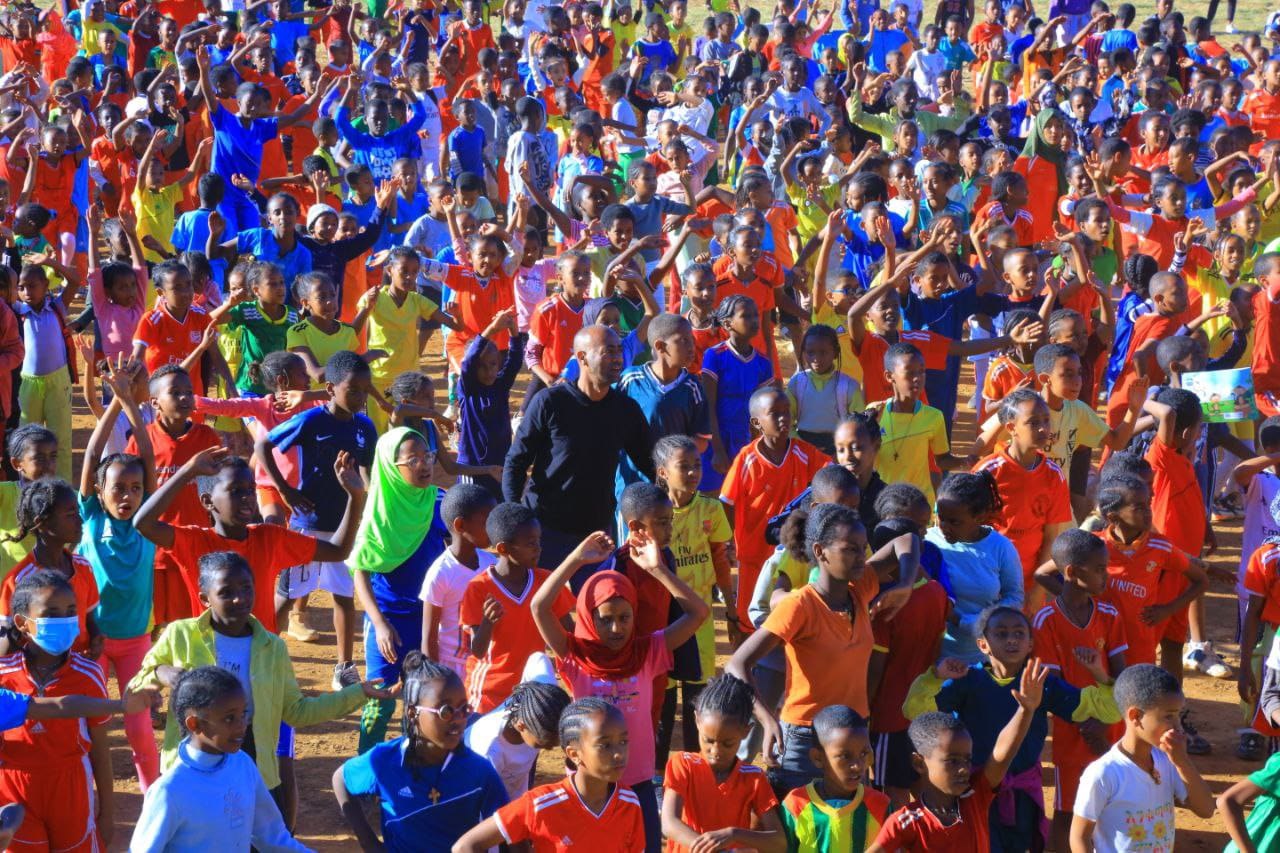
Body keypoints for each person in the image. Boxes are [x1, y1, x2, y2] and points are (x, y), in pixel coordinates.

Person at [531, 531, 708, 851]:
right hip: (587, 786)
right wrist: (576, 560)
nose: (617, 628)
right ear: (589, 617)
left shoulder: (648, 651)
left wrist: (658, 569)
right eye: (605, 619)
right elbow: (539, 607)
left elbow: (699, 613)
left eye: (625, 617)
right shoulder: (575, 656)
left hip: (638, 782)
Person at [727, 503, 920, 792]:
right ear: (820, 552)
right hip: (806, 741)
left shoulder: (860, 589)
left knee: (849, 819)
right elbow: (737, 663)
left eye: (863, 548)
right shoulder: (799, 605)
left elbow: (907, 540)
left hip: (853, 737)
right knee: (799, 821)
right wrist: (766, 719)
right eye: (850, 549)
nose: (862, 557)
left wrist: (905, 584)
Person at [503, 324, 655, 571]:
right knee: (545, 596)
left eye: (619, 351)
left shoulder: (625, 409)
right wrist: (512, 515)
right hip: (546, 533)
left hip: (597, 534)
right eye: (609, 352)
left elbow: (649, 461)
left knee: (599, 596)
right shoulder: (550, 402)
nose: (618, 358)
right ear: (582, 357)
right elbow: (517, 461)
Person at [335, 654, 508, 853]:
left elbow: (506, 829)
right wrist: (370, 845)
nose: (459, 719)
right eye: (446, 711)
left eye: (464, 709)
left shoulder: (479, 771)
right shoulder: (384, 760)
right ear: (412, 713)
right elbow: (340, 779)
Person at [129, 666, 308, 852]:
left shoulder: (242, 764)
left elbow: (273, 837)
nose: (241, 725)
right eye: (229, 718)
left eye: (243, 714)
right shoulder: (169, 791)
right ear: (195, 724)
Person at [347, 427, 448, 751]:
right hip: (388, 619)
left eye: (427, 456)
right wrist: (379, 624)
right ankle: (367, 768)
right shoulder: (379, 513)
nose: (424, 464)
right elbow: (360, 571)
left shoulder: (440, 501)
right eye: (413, 460)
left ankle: (412, 763)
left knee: (421, 701)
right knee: (380, 702)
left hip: (427, 619)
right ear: (392, 467)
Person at [1034, 529, 1129, 853]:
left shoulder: (1109, 615)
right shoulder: (1045, 621)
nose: (1107, 575)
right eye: (1100, 568)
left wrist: (1104, 723)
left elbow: (1122, 676)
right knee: (1067, 812)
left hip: (1111, 726)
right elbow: (1053, 687)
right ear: (1073, 572)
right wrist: (1087, 725)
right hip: (1071, 732)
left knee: (1111, 807)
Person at [452, 698, 646, 852]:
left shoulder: (629, 803)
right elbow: (465, 846)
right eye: (605, 745)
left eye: (623, 741)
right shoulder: (539, 804)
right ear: (574, 754)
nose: (619, 754)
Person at [1071, 664, 1216, 851]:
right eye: (1168, 717)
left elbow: (1206, 809)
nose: (1178, 726)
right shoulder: (1104, 773)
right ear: (1136, 716)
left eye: (1178, 716)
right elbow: (1079, 837)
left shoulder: (1168, 760)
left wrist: (1183, 762)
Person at [660, 673, 785, 853]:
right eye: (708, 740)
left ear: (746, 731)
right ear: (697, 720)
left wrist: (734, 834)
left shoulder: (754, 778)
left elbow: (779, 842)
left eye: (728, 743)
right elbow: (669, 823)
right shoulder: (682, 765)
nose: (716, 752)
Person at [927, 471, 1023, 662]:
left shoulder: (1001, 548)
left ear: (980, 517)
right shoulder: (927, 541)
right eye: (940, 517)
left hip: (983, 659)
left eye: (954, 521)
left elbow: (1015, 598)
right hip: (930, 658)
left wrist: (967, 622)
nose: (944, 526)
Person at [781, 703, 892, 852]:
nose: (858, 766)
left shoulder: (881, 805)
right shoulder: (796, 805)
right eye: (845, 756)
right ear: (818, 758)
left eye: (864, 753)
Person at [463, 658, 570, 800]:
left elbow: (538, 659)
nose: (551, 748)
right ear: (521, 726)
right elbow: (481, 804)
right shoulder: (489, 751)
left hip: (514, 789)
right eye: (544, 744)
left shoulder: (540, 703)